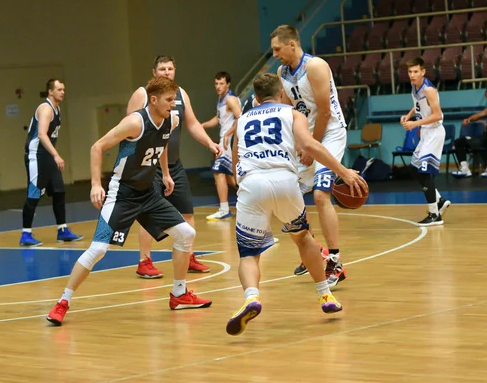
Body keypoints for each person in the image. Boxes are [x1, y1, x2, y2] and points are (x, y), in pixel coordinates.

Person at [47, 77, 211, 326]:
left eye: (175, 100)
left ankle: (179, 294)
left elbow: (163, 143)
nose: (174, 105)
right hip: (121, 194)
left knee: (186, 234)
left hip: (148, 194)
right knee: (99, 249)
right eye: (169, 100)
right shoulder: (135, 122)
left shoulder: (171, 119)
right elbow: (97, 146)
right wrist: (94, 184)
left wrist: (165, 173)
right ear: (153, 100)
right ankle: (63, 302)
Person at [225, 73, 368, 336]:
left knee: (248, 254)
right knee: (303, 239)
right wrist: (343, 171)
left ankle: (251, 297)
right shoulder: (292, 114)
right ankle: (326, 296)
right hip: (284, 182)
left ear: (255, 98)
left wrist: (245, 187)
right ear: (281, 93)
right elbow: (310, 145)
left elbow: (234, 167)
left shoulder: (242, 120)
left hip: (252, 184)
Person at [127, 55, 221, 278]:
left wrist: (209, 142)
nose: (167, 72)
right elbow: (129, 128)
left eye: (170, 68)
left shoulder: (181, 94)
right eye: (162, 68)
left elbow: (193, 124)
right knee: (149, 214)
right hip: (149, 165)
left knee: (187, 212)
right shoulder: (142, 94)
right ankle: (144, 261)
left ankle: (188, 256)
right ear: (154, 72)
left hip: (174, 165)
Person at [270, 25, 347, 287]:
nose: (275, 55)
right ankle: (313, 249)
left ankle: (335, 262)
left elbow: (324, 112)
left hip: (330, 133)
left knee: (320, 195)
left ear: (292, 44)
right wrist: (296, 142)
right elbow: (291, 109)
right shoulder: (282, 72)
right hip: (308, 137)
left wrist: (311, 145)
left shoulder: (315, 66)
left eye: (277, 49)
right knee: (285, 195)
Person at [20, 79, 82, 247]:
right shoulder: (46, 109)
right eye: (59, 89)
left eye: (64, 89)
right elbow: (41, 134)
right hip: (37, 156)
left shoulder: (57, 109)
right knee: (34, 193)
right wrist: (56, 155)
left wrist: (53, 155)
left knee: (59, 190)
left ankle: (62, 230)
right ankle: (26, 233)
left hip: (48, 155)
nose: (62, 92)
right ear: (50, 91)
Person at [400, 57, 451, 226]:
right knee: (414, 170)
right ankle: (440, 201)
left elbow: (437, 115)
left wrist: (415, 123)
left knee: (424, 172)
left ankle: (435, 215)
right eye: (410, 72)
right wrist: (408, 115)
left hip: (434, 131)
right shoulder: (415, 86)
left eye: (415, 71)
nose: (412, 75)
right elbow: (419, 105)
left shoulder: (429, 89)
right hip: (426, 133)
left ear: (423, 72)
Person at [202, 72, 242, 221]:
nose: (218, 87)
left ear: (228, 84)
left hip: (229, 142)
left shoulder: (231, 100)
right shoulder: (221, 99)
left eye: (221, 84)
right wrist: (201, 126)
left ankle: (224, 209)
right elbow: (218, 119)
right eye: (216, 84)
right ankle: (251, 200)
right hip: (224, 142)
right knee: (231, 178)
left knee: (218, 172)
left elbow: (241, 118)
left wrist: (228, 134)